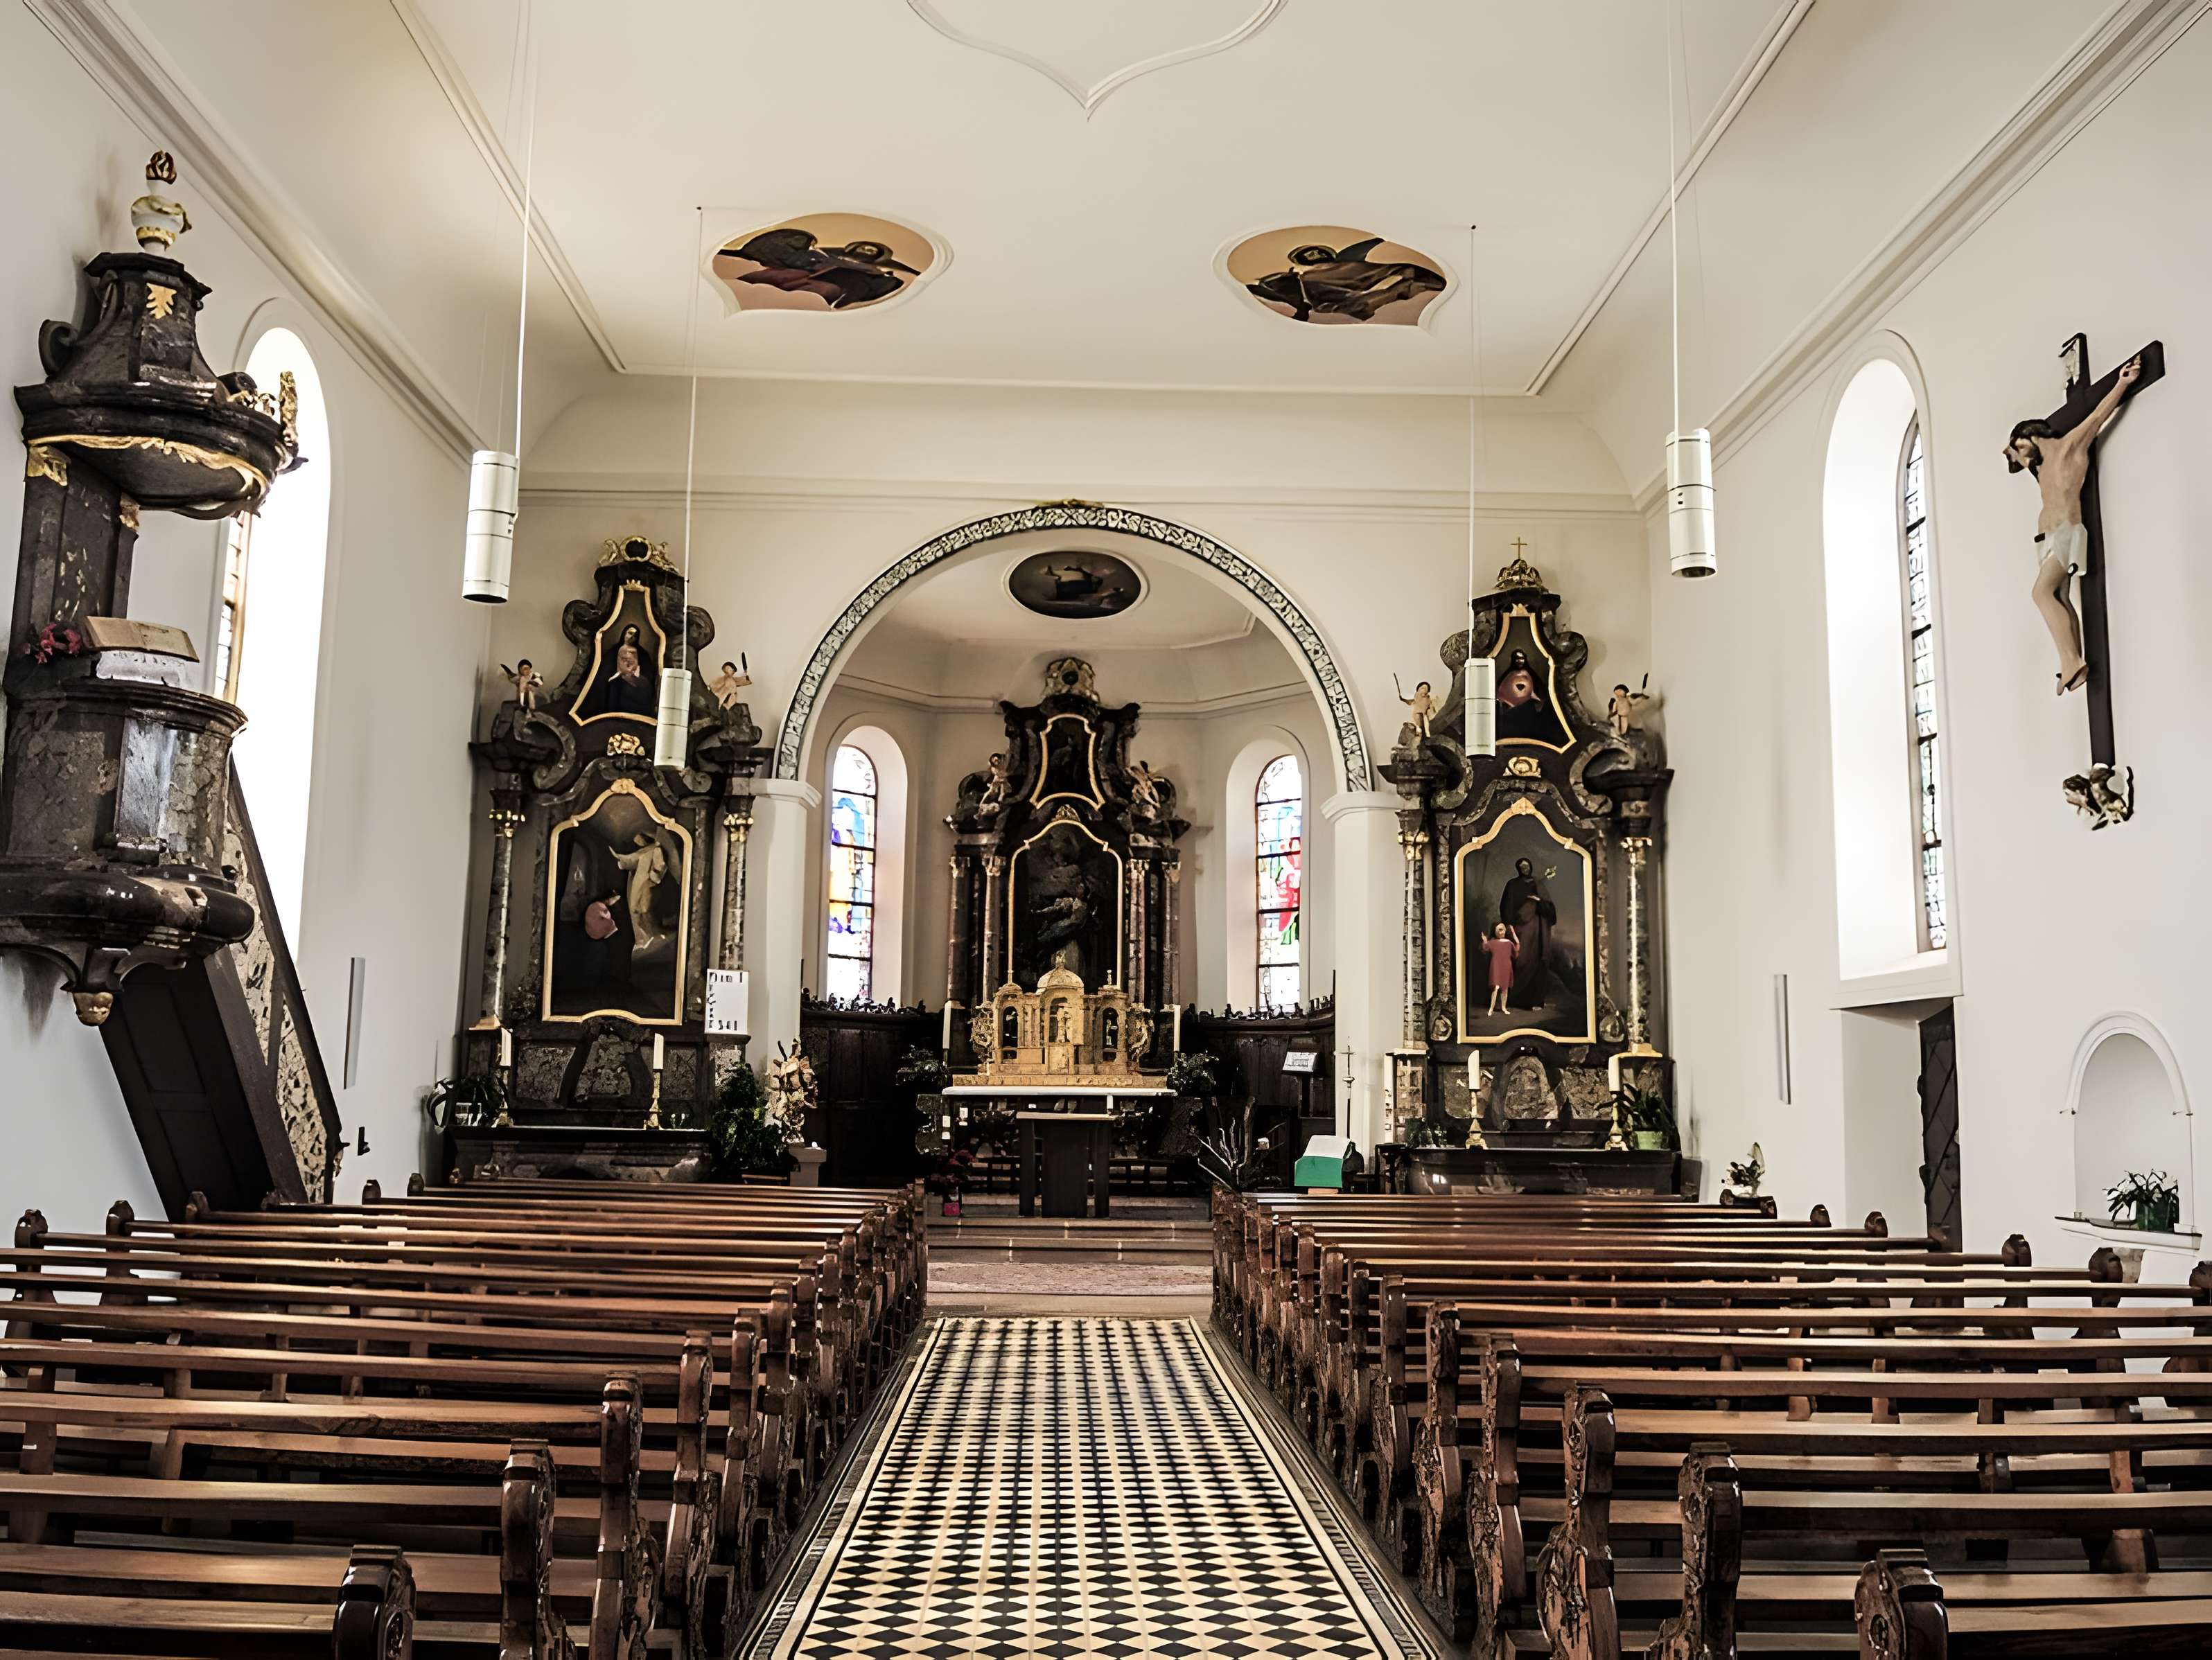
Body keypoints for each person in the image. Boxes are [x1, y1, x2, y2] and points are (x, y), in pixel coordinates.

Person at [2005, 354, 2141, 694]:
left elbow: (2098, 416)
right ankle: (2073, 662)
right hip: (2046, 538)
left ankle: (2071, 662)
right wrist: (2010, 453)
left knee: (2041, 593)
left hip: (2066, 531)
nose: (2022, 460)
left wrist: (2122, 382)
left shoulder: (2070, 449)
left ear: (2030, 438)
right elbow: (2012, 459)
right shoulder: (2038, 467)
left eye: (2021, 449)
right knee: (2062, 598)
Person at [1498, 856, 1557, 1008]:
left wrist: (1538, 901)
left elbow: (1549, 908)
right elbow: (1506, 907)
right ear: (1518, 869)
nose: (1525, 869)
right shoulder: (1512, 885)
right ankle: (1516, 998)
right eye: (1522, 867)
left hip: (1538, 928)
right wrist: (1510, 926)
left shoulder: (1537, 883)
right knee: (1522, 961)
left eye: (1527, 866)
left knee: (1538, 961)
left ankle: (1535, 1001)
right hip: (1521, 928)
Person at [1479, 922, 1518, 1016]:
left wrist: (1513, 934)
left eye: (1502, 929)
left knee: (1505, 989)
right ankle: (1491, 1009)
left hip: (1506, 967)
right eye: (1499, 930)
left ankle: (1504, 1008)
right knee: (1496, 988)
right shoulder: (1493, 943)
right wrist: (1485, 941)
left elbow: (1516, 952)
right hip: (1496, 967)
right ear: (1496, 931)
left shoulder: (1509, 943)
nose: (1501, 932)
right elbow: (1485, 948)